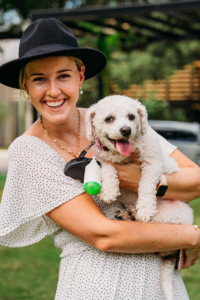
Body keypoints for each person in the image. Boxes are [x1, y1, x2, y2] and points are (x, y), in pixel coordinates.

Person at [0, 18, 200, 300]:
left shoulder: (117, 117)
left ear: (81, 76)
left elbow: (196, 180)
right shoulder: (29, 150)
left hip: (162, 286)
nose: (53, 90)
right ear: (26, 86)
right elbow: (103, 235)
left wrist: (145, 182)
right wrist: (192, 237)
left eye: (64, 75)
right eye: (39, 79)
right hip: (96, 286)